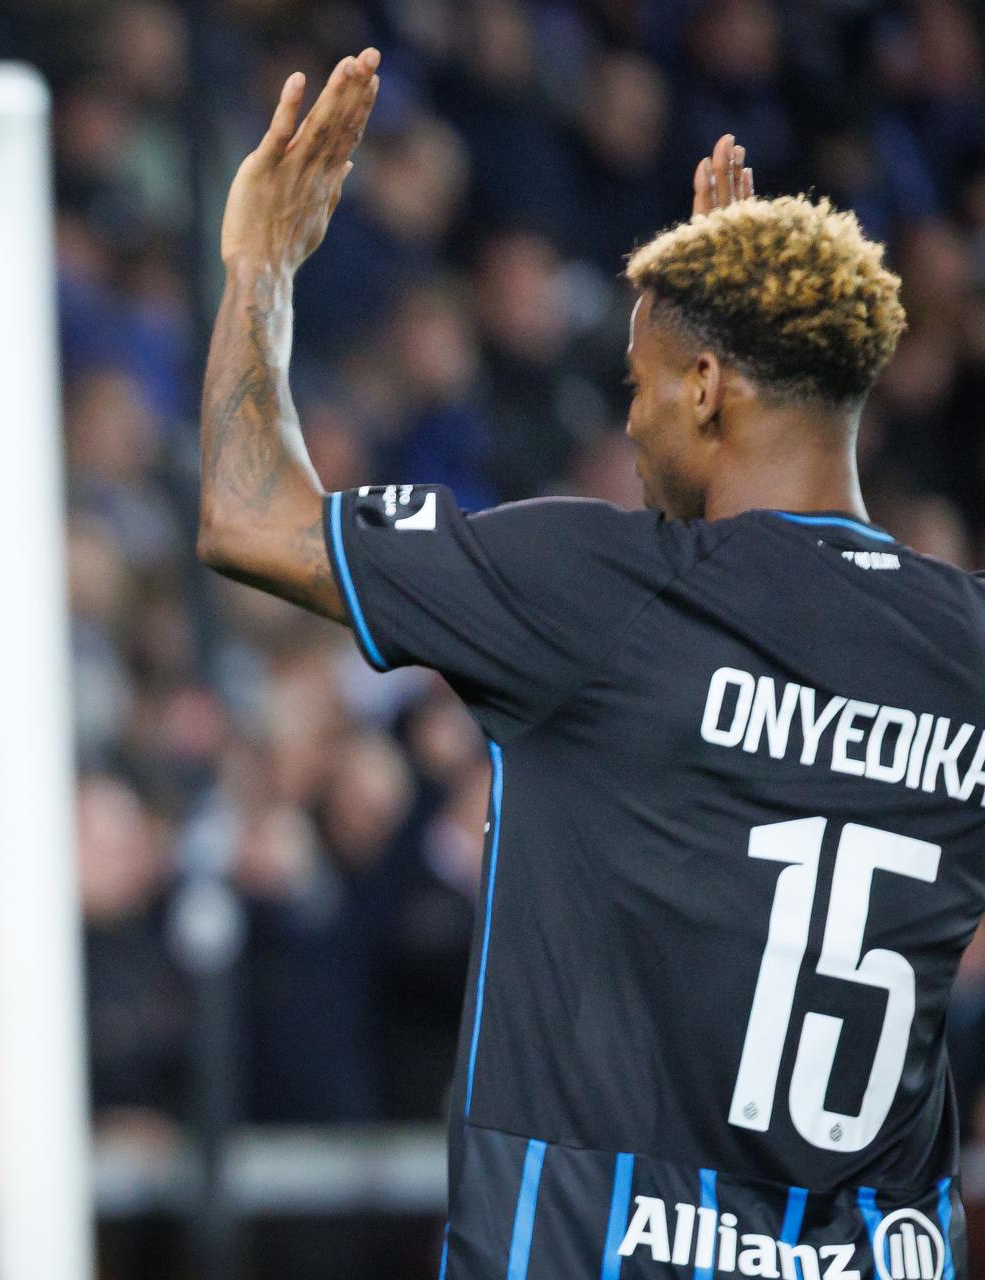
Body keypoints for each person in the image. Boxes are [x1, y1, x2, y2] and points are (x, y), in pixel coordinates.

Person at [200, 48, 976, 1279]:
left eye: (646, 382)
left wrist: (262, 269)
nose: (629, 419)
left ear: (711, 386)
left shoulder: (602, 588)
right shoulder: (969, 644)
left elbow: (250, 516)